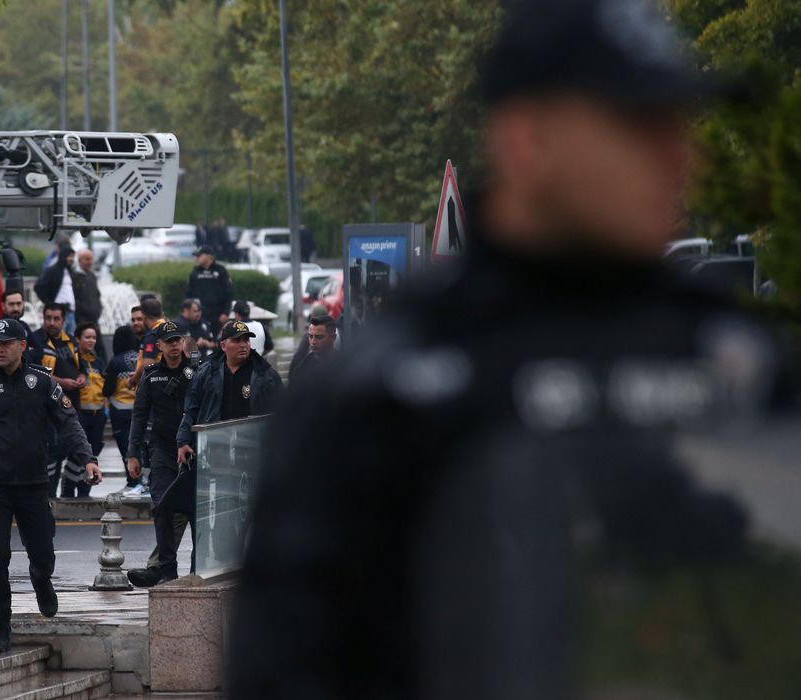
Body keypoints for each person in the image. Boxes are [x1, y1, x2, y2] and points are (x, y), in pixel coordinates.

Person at [227, 1, 789, 697]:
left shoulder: (737, 360)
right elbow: (289, 663)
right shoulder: (386, 391)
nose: (677, 157)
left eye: (674, 125)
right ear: (527, 139)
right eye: (634, 126)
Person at [0, 318, 102, 653]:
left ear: (22, 346)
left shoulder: (42, 382)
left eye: (5, 343)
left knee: (43, 555)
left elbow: (68, 422)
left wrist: (87, 458)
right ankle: (0, 626)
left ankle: (41, 579)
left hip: (33, 484)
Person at [125, 321, 196, 587]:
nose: (174, 345)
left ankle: (199, 569)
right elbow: (139, 416)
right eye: (169, 341)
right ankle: (167, 569)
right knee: (163, 507)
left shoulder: (197, 371)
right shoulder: (151, 375)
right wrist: (132, 454)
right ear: (160, 346)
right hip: (162, 450)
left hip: (194, 449)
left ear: (183, 342)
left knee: (197, 511)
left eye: (177, 340)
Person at [176, 320, 283, 466]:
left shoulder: (265, 375)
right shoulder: (206, 372)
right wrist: (183, 441)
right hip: (214, 448)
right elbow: (191, 409)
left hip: (253, 451)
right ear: (223, 346)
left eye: (246, 340)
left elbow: (280, 415)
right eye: (237, 340)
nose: (243, 345)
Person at [30, 303, 83, 495]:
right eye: (48, 318)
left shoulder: (71, 341)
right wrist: (62, 383)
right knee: (51, 451)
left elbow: (82, 366)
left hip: (71, 406)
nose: (52, 323)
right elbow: (32, 373)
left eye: (56, 319)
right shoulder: (35, 340)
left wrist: (82, 377)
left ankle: (68, 492)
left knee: (74, 448)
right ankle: (49, 495)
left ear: (64, 320)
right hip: (47, 408)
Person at [67, 322, 107, 498]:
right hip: (80, 413)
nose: (91, 341)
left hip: (98, 414)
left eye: (94, 337)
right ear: (77, 339)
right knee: (78, 454)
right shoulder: (73, 360)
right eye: (87, 337)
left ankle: (84, 490)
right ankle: (68, 488)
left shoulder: (99, 361)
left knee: (93, 453)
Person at [105, 325, 143, 493]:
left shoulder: (115, 361)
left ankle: (132, 481)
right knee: (138, 446)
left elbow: (108, 389)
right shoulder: (140, 359)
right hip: (138, 410)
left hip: (119, 410)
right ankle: (140, 481)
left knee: (124, 447)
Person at [186, 246, 234, 326]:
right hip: (199, 315)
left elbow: (228, 293)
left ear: (209, 256)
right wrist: (188, 311)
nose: (196, 258)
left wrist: (226, 312)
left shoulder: (220, 270)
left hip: (218, 315)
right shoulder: (195, 272)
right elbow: (189, 293)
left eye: (199, 256)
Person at [35, 245, 77, 335]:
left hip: (70, 311)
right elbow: (38, 286)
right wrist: (49, 303)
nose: (72, 259)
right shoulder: (53, 270)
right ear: (63, 256)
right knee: (57, 337)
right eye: (69, 256)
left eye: (73, 257)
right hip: (58, 312)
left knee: (70, 340)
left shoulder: (69, 271)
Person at [127, 296, 167, 390]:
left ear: (144, 317)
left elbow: (147, 364)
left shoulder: (152, 335)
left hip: (155, 387)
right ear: (161, 313)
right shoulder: (170, 329)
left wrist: (133, 380)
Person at [288, 314, 337, 386]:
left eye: (319, 337)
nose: (313, 342)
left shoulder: (342, 366)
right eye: (310, 336)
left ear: (333, 337)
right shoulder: (304, 363)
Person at [72, 249, 102, 328]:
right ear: (79, 260)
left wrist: (98, 308)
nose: (90, 262)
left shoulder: (92, 276)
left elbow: (97, 295)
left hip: (94, 320)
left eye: (91, 259)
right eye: (87, 259)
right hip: (81, 321)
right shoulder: (74, 277)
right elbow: (73, 298)